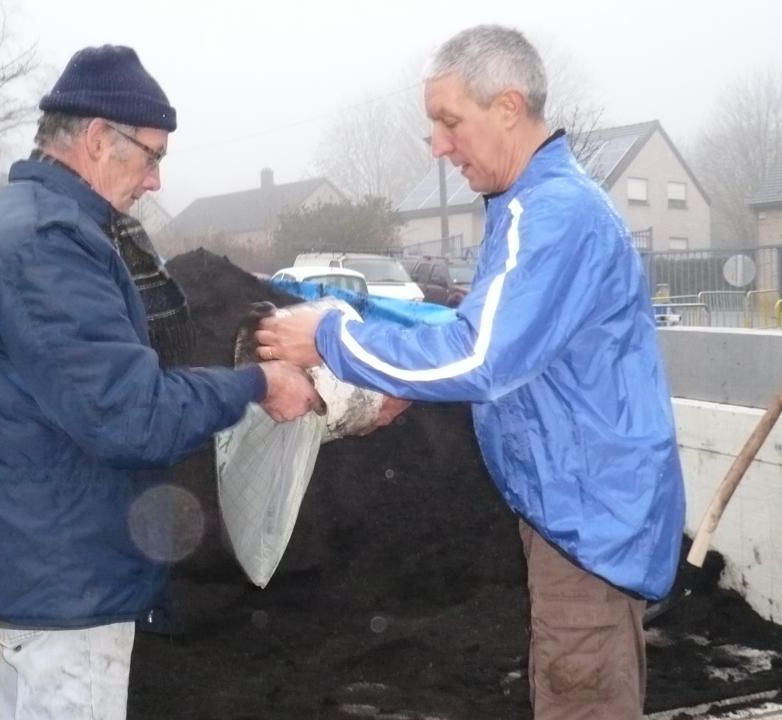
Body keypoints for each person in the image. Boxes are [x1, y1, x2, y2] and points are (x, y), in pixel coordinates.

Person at [256, 25, 684, 720]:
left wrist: (331, 337)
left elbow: (480, 356)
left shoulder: (552, 217)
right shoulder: (530, 207)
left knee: (580, 693)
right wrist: (401, 381)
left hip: (590, 522)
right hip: (582, 505)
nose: (439, 146)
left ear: (508, 107)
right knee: (570, 681)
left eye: (449, 122)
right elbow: (493, 337)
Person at [0, 45, 320, 720]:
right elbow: (133, 416)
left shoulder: (22, 223)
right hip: (57, 582)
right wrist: (256, 384)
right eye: (151, 155)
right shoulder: (48, 246)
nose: (154, 181)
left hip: (24, 559)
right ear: (97, 139)